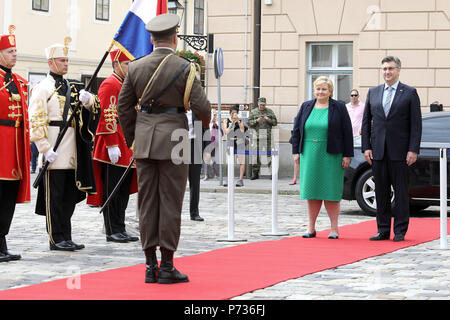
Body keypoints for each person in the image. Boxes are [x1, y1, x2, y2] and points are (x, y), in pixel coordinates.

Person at [117, 13, 211, 284]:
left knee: (146, 203)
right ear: (174, 38)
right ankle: (167, 266)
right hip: (178, 139)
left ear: (151, 38)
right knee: (171, 202)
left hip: (145, 140)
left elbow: (124, 108)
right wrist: (204, 126)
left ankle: (149, 266)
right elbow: (202, 108)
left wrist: (134, 138)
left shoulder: (135, 67)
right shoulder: (185, 67)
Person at [29, 37, 100, 252]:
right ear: (51, 63)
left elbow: (95, 106)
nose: (66, 64)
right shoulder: (43, 87)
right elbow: (36, 118)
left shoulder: (72, 86)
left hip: (72, 149)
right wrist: (44, 147)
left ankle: (66, 235)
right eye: (62, 60)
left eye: (67, 60)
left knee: (69, 196)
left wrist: (89, 100)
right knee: (55, 197)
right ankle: (55, 237)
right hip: (54, 145)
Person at [361, 56, 422, 242]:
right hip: (378, 151)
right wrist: (366, 147)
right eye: (384, 69)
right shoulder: (373, 92)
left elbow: (416, 124)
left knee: (401, 193)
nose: (387, 72)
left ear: (398, 70)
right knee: (381, 192)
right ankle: (383, 229)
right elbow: (366, 123)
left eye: (391, 68)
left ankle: (400, 230)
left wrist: (413, 149)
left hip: (401, 152)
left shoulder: (409, 93)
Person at [86, 49, 139, 243]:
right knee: (113, 190)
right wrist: (111, 143)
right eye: (126, 64)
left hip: (126, 143)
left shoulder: (126, 83)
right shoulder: (110, 84)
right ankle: (111, 229)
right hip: (113, 143)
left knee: (123, 189)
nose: (129, 67)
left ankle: (120, 226)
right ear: (116, 65)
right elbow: (105, 114)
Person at [291, 76, 353, 239]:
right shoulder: (306, 106)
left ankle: (334, 229)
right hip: (309, 153)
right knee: (311, 191)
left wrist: (347, 154)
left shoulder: (339, 107)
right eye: (318, 89)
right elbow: (297, 129)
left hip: (331, 154)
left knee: (331, 192)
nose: (320, 92)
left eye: (324, 89)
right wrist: (295, 151)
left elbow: (347, 131)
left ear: (330, 91)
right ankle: (311, 228)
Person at [0, 26, 30, 262]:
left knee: (8, 196)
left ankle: (2, 241)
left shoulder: (18, 81)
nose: (15, 55)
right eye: (10, 51)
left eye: (16, 51)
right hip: (1, 143)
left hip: (15, 148)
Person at [247, 97, 277, 180]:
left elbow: (275, 122)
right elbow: (249, 123)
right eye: (260, 105)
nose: (262, 106)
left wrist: (269, 120)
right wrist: (256, 121)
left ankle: (272, 173)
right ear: (258, 104)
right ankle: (255, 173)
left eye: (263, 105)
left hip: (267, 137)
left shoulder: (269, 112)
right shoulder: (253, 112)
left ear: (265, 104)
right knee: (255, 155)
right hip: (256, 137)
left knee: (270, 155)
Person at [222, 105, 247, 187]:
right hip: (230, 141)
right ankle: (229, 179)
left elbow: (242, 132)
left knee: (241, 161)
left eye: (235, 113)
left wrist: (238, 122)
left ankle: (240, 180)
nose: (234, 115)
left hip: (239, 141)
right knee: (230, 162)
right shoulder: (226, 121)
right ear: (230, 113)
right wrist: (232, 123)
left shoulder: (240, 121)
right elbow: (226, 132)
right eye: (232, 113)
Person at [187, 110, 204, 221]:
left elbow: (205, 128)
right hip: (178, 143)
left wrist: (207, 150)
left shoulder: (197, 111)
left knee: (195, 181)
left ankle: (194, 212)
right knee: (175, 182)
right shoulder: (175, 107)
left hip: (194, 145)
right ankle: (173, 213)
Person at [202, 110, 219, 181]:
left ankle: (217, 174)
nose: (214, 117)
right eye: (213, 115)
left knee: (212, 159)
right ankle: (207, 175)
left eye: (215, 115)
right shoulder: (207, 123)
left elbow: (220, 132)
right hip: (206, 142)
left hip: (213, 143)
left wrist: (215, 125)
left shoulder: (216, 124)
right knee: (207, 159)